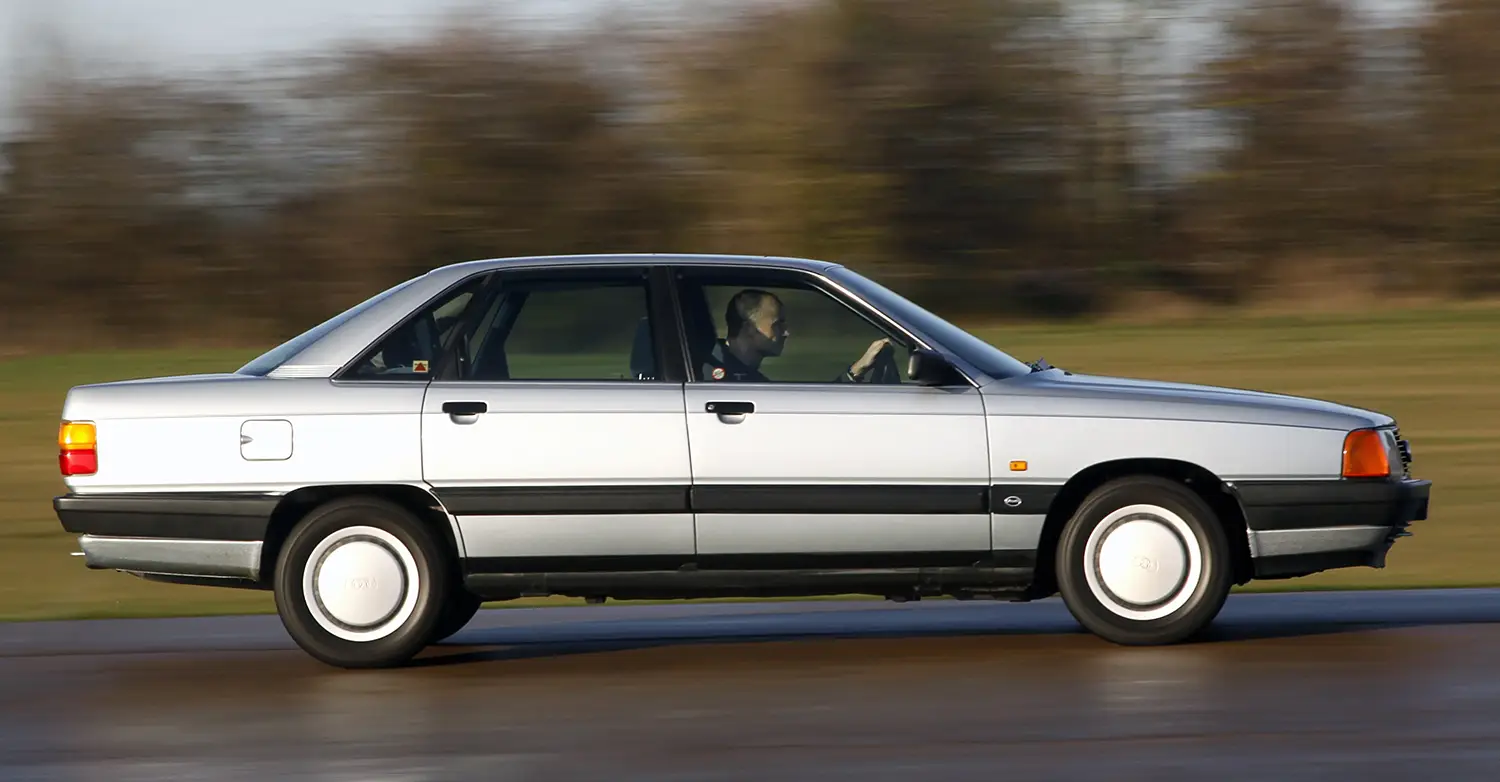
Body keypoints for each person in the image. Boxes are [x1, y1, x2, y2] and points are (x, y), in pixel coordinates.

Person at [701, 288, 897, 383]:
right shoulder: (709, 376)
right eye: (777, 325)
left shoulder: (747, 377)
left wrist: (858, 369)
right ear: (750, 329)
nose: (787, 333)